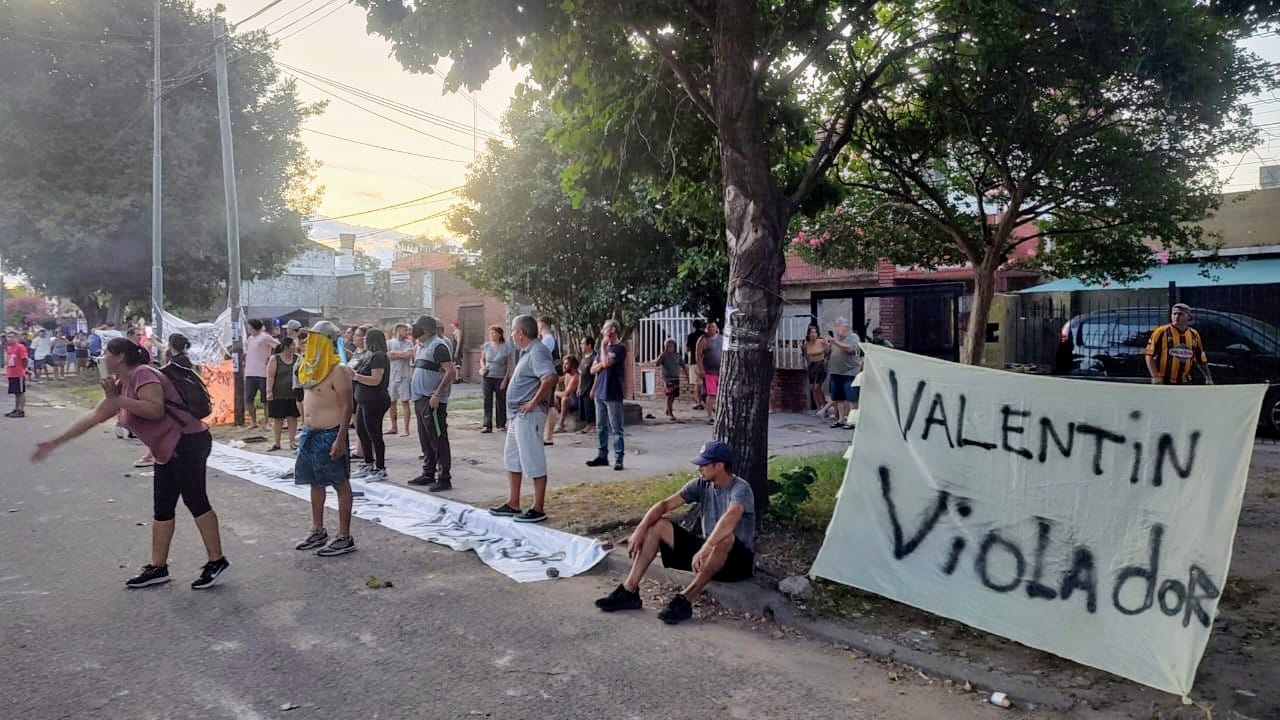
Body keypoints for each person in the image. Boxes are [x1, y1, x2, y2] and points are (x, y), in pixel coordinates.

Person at [33, 338, 229, 588]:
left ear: (120, 357)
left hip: (187, 442)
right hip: (167, 449)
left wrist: (118, 401)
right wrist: (54, 442)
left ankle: (217, 560)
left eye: (106, 352)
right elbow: (94, 416)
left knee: (196, 500)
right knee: (163, 507)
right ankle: (158, 567)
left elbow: (155, 409)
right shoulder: (120, 385)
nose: (102, 357)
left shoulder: (143, 374)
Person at [595, 440, 755, 625]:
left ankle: (685, 599)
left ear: (719, 466)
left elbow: (730, 517)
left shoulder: (741, 488)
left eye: (704, 464)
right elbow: (664, 505)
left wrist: (706, 548)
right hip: (709, 552)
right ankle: (629, 591)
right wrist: (640, 529)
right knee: (657, 525)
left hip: (737, 563)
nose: (699, 469)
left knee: (725, 537)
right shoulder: (701, 484)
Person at [292, 321, 357, 557]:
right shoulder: (309, 367)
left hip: (330, 432)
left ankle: (345, 536)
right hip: (310, 433)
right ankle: (318, 530)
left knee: (340, 483)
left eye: (313, 337)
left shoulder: (337, 369)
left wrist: (340, 438)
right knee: (314, 482)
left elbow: (347, 405)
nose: (308, 342)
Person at [489, 315, 559, 523]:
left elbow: (550, 377)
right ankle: (514, 502)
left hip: (529, 415)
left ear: (520, 333)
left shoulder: (537, 351)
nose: (511, 335)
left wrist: (533, 401)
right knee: (512, 459)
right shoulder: (527, 352)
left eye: (512, 331)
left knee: (533, 458)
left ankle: (538, 507)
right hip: (516, 416)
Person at [408, 315, 456, 491]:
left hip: (432, 400)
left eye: (418, 328)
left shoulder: (438, 346)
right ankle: (428, 472)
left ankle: (444, 477)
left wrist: (437, 395)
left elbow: (450, 372)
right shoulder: (421, 347)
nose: (415, 331)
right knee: (425, 439)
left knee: (438, 439)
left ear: (428, 330)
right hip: (420, 398)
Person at [587, 319, 627, 471]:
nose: (602, 331)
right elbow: (593, 369)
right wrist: (594, 388)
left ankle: (618, 458)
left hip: (613, 392)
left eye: (605, 328)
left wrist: (603, 349)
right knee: (600, 426)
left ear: (613, 330)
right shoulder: (603, 350)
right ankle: (602, 455)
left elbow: (604, 364)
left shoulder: (619, 348)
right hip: (600, 392)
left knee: (616, 428)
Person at [352, 328, 391, 482]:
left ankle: (380, 467)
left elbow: (376, 380)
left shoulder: (379, 356)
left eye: (367, 338)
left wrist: (355, 376)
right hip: (363, 400)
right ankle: (368, 463)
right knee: (362, 432)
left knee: (374, 434)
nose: (364, 341)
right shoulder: (368, 356)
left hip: (375, 400)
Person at [1144, 303, 1212, 385]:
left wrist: (1208, 378)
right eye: (1174, 314)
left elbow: (1201, 358)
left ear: (1188, 317)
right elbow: (1149, 354)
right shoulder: (1161, 332)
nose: (1176, 317)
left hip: (1185, 381)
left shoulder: (1194, 334)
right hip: (1164, 381)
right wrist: (1155, 376)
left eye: (1180, 314)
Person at [265, 336, 301, 452]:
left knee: (292, 418)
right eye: (293, 345)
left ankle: (292, 442)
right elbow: (270, 376)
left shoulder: (297, 358)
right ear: (286, 347)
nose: (295, 347)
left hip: (293, 393)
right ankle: (277, 443)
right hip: (278, 393)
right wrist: (269, 391)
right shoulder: (275, 359)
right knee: (278, 419)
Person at [827, 318, 862, 429]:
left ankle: (852, 421)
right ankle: (841, 419)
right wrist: (827, 346)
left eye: (838, 326)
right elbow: (831, 352)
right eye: (836, 326)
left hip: (849, 372)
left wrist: (835, 342)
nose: (836, 328)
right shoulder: (837, 339)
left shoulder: (853, 337)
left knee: (851, 398)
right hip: (836, 372)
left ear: (846, 326)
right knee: (839, 398)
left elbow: (850, 349)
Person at [242, 319, 277, 430]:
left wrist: (271, 359)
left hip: (263, 372)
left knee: (265, 399)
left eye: (250, 328)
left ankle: (267, 422)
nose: (249, 330)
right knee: (248, 398)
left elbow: (278, 346)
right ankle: (253, 421)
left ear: (255, 328)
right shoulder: (250, 339)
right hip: (249, 372)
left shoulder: (265, 337)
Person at [479, 324, 513, 433]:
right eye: (491, 333)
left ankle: (501, 424)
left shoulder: (506, 347)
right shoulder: (486, 346)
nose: (492, 335)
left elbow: (509, 365)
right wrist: (483, 367)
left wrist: (505, 379)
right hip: (488, 376)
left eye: (494, 333)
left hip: (500, 377)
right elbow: (482, 359)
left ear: (499, 335)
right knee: (487, 400)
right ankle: (487, 425)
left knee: (501, 400)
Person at [386, 323, 414, 437]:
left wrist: (394, 353)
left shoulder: (408, 343)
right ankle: (393, 426)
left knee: (405, 402)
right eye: (404, 330)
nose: (406, 332)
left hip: (403, 376)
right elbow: (387, 356)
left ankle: (406, 429)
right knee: (392, 402)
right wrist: (398, 354)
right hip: (392, 376)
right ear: (397, 330)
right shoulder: (389, 343)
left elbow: (408, 355)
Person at [546, 355, 581, 441]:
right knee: (552, 399)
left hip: (575, 400)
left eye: (566, 364)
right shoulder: (567, 375)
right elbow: (556, 380)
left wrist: (555, 393)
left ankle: (561, 424)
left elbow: (566, 393)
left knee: (564, 399)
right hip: (568, 398)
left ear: (572, 365)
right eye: (563, 364)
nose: (564, 366)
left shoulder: (575, 377)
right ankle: (554, 421)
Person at [695, 321, 723, 425]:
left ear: (716, 328)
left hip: (721, 372)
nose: (710, 329)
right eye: (708, 327)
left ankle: (719, 413)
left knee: (720, 394)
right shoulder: (703, 340)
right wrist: (701, 369)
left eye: (712, 327)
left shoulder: (722, 339)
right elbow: (698, 356)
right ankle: (709, 416)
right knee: (711, 394)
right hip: (709, 372)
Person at [804, 325, 829, 414]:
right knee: (812, 388)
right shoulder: (806, 344)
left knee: (817, 387)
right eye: (811, 332)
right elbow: (806, 355)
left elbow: (827, 352)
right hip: (812, 365)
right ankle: (818, 407)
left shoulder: (821, 341)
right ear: (808, 334)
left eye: (815, 332)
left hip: (820, 364)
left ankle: (823, 406)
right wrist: (809, 364)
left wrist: (824, 360)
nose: (813, 334)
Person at [658, 338, 685, 421]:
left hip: (675, 378)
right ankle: (670, 413)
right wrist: (662, 355)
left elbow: (683, 365)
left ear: (674, 347)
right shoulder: (663, 355)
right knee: (669, 395)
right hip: (667, 378)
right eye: (667, 346)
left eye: (670, 346)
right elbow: (657, 363)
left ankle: (667, 410)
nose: (669, 348)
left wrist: (688, 376)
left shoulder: (677, 356)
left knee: (673, 396)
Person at [577, 337, 597, 435]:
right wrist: (579, 386)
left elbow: (597, 374)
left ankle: (592, 425)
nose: (581, 346)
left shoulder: (595, 357)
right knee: (584, 407)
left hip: (591, 386)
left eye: (583, 343)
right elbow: (581, 373)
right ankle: (587, 425)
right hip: (583, 387)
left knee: (590, 407)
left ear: (589, 345)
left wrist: (594, 388)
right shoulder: (584, 358)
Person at [6, 330, 28, 418]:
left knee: (20, 392)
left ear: (16, 338)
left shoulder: (20, 347)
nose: (9, 339)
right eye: (8, 337)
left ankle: (21, 410)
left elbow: (24, 359)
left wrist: (23, 368)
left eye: (12, 337)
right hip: (11, 373)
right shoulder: (9, 348)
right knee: (16, 392)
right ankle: (16, 408)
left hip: (18, 373)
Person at [686, 319, 706, 410]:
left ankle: (699, 402)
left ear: (693, 326)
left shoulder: (691, 336)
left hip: (695, 361)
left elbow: (687, 349)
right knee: (706, 382)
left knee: (697, 383)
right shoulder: (705, 335)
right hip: (706, 361)